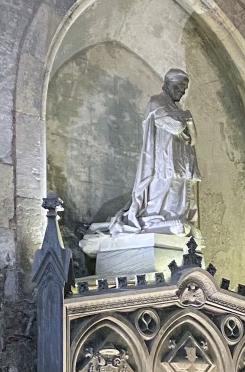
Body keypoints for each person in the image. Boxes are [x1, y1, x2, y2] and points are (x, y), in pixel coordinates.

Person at [80, 69, 202, 252]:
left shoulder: (177, 110)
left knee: (179, 193)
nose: (182, 92)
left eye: (184, 89)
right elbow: (175, 127)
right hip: (162, 160)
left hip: (181, 159)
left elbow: (193, 139)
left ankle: (171, 219)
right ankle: (156, 219)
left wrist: (188, 119)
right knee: (162, 190)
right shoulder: (157, 102)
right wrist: (187, 118)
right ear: (167, 84)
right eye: (179, 87)